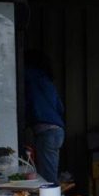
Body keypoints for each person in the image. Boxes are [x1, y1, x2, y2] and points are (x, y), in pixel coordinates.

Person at [24, 49, 65, 185]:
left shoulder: (29, 75)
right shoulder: (47, 80)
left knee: (47, 179)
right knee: (47, 174)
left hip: (47, 133)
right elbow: (60, 107)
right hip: (56, 131)